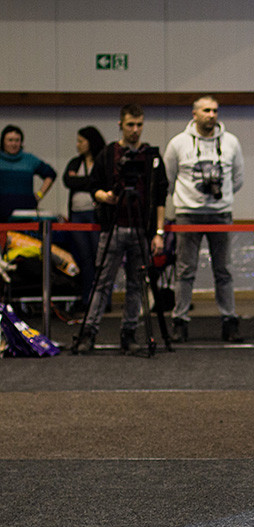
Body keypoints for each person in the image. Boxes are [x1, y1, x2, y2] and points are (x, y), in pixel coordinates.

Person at [74, 104, 169, 354]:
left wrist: (159, 233)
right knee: (102, 283)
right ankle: (88, 333)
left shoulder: (152, 157)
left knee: (136, 285)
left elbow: (160, 197)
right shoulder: (108, 154)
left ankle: (129, 333)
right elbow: (93, 186)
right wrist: (105, 196)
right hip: (113, 227)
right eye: (130, 125)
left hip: (141, 229)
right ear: (121, 125)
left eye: (139, 125)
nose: (135, 130)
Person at [164, 96, 245, 343]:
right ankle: (180, 322)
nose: (211, 115)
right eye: (206, 110)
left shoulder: (231, 142)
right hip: (188, 214)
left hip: (220, 213)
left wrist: (222, 198)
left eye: (215, 111)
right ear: (194, 114)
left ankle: (229, 321)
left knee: (224, 270)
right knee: (185, 270)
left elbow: (238, 179)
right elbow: (168, 179)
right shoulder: (178, 143)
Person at [60, 126, 106, 309]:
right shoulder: (75, 162)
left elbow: (100, 182)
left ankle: (103, 299)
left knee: (98, 257)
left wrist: (81, 182)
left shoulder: (101, 161)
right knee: (84, 258)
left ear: (90, 142)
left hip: (95, 215)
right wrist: (88, 182)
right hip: (77, 215)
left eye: (81, 141)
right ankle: (87, 298)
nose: (78, 145)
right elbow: (68, 181)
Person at [0, 125, 57, 222]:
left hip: (25, 215)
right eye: (10, 140)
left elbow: (51, 174)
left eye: (17, 140)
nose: (13, 144)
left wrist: (39, 195)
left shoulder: (30, 159)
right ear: (3, 141)